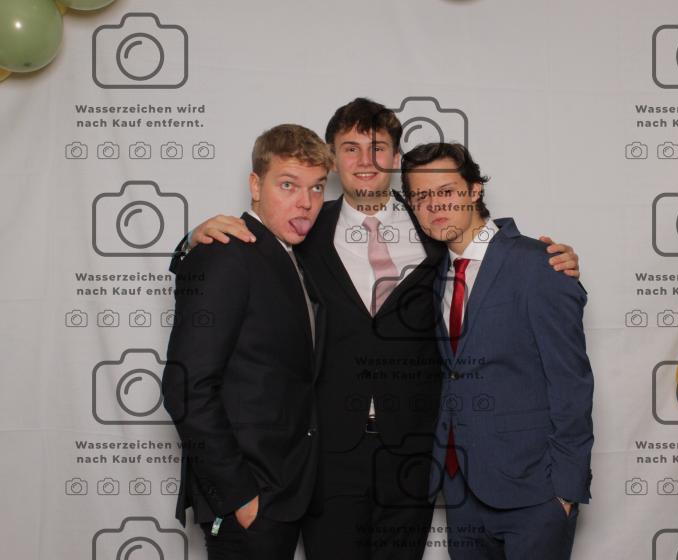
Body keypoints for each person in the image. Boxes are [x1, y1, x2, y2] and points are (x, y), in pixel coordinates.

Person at [173, 98, 581, 560]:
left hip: (412, 454)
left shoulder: (433, 225)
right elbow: (239, 262)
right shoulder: (303, 229)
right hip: (324, 459)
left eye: (378, 148)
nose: (365, 161)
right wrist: (190, 240)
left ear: (395, 158)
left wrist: (548, 260)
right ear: (333, 159)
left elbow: (485, 253)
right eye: (351, 149)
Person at [400, 142, 594, 560]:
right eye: (421, 196)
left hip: (535, 491)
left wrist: (565, 489)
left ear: (475, 190)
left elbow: (571, 382)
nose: (434, 205)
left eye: (447, 191)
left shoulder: (539, 264)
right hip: (461, 489)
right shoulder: (430, 273)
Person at [161, 124, 330, 560]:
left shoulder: (286, 254)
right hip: (251, 497)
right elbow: (184, 387)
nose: (306, 202)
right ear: (256, 186)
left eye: (316, 187)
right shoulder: (225, 253)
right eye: (288, 185)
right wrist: (238, 495)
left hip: (287, 489)